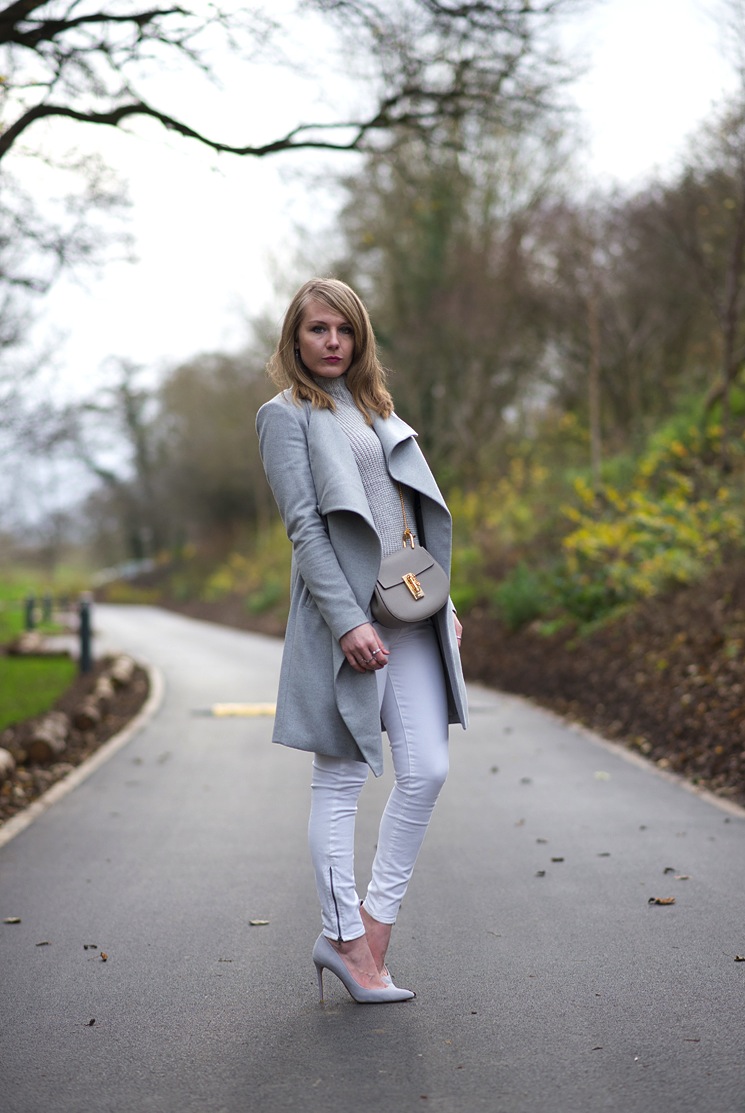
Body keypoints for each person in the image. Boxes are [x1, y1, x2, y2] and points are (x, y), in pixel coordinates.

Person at [256, 277, 468, 1004]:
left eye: (343, 330)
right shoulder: (284, 416)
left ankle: (373, 924)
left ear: (360, 337)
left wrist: (444, 603)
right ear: (295, 336)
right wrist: (347, 620)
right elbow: (306, 527)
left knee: (427, 769)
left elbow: (408, 511)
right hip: (347, 617)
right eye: (318, 329)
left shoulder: (376, 407)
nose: (332, 342)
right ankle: (341, 934)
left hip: (411, 609)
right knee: (343, 776)